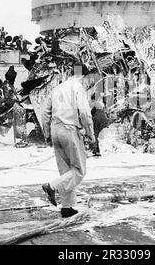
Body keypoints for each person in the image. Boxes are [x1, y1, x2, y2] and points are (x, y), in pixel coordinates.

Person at [41, 63, 95, 218]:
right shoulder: (78, 88)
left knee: (66, 171)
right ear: (83, 75)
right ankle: (52, 186)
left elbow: (45, 113)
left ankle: (67, 207)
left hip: (55, 129)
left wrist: (47, 134)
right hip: (70, 129)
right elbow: (84, 113)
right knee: (79, 170)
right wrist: (91, 134)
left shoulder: (57, 88)